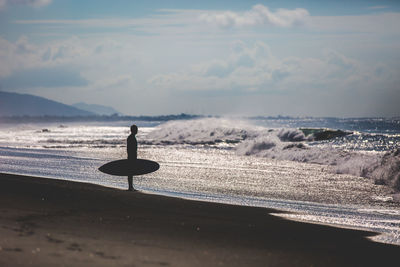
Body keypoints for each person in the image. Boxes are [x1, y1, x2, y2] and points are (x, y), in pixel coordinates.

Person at [127, 124, 138, 191]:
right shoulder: (131, 138)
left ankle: (131, 187)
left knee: (131, 172)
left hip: (132, 156)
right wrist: (132, 157)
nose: (137, 131)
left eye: (137, 129)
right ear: (132, 130)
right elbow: (129, 149)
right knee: (130, 172)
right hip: (131, 157)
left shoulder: (132, 137)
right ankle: (130, 187)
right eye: (136, 129)